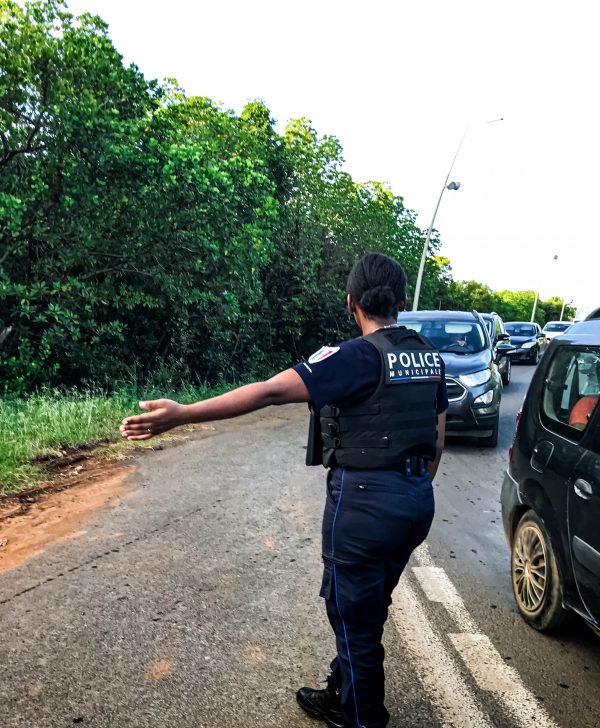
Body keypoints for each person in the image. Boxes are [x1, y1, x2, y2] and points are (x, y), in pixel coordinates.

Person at [120, 252, 448, 728]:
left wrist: (183, 414)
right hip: (417, 499)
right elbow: (437, 438)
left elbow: (270, 391)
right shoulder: (428, 356)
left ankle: (362, 719)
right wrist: (410, 490)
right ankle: (341, 693)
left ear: (350, 301)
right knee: (367, 608)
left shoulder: (354, 356)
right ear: (401, 302)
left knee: (353, 619)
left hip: (364, 503)